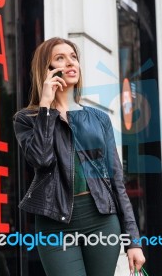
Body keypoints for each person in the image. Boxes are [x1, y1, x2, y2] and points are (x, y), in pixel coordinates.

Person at [13, 37, 145, 276]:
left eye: (73, 57)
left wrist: (133, 241)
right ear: (47, 69)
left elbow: (117, 181)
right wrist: (45, 106)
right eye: (60, 58)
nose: (70, 62)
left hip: (102, 221)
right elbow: (40, 160)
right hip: (55, 224)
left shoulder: (99, 118)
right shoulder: (27, 119)